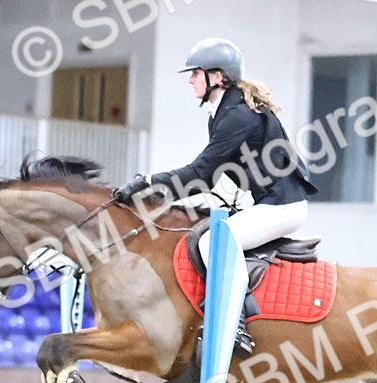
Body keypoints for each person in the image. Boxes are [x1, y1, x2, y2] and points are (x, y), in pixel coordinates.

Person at [113, 37, 317, 354]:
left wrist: (147, 181)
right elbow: (214, 177)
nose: (190, 80)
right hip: (267, 202)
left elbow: (201, 172)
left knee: (213, 242)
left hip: (283, 207)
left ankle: (234, 325)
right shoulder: (222, 112)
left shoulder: (239, 116)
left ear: (217, 77)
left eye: (196, 73)